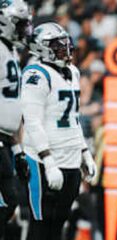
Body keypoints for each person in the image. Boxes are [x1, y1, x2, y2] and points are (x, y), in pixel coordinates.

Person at [20, 22, 97, 240]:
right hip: (44, 160)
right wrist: (48, 160)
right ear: (41, 47)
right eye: (57, 44)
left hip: (71, 157)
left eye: (65, 43)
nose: (65, 48)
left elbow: (73, 117)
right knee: (41, 223)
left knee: (59, 223)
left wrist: (84, 152)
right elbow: (32, 121)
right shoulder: (36, 74)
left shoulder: (72, 71)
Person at [0, 0, 31, 237]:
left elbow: (13, 108)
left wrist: (19, 150)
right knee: (7, 200)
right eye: (19, 24)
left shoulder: (10, 49)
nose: (24, 30)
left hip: (6, 140)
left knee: (9, 203)